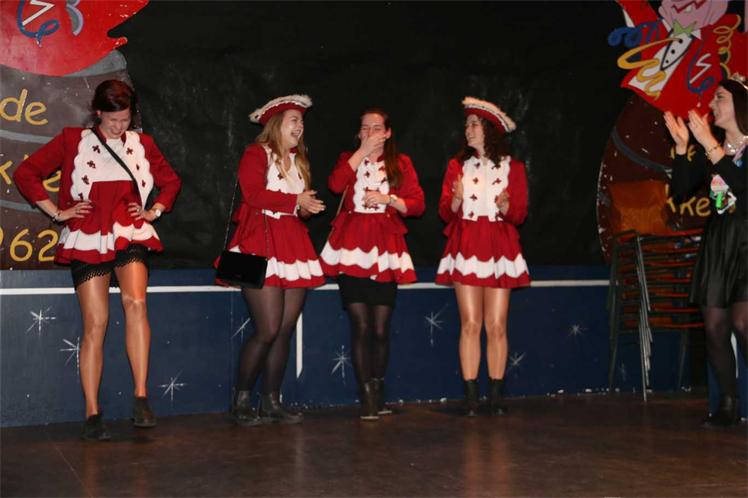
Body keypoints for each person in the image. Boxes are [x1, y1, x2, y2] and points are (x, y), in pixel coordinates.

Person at [13, 79, 182, 440]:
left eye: (126, 119)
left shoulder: (142, 144)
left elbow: (171, 182)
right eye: (113, 120)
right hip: (88, 235)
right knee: (96, 323)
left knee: (136, 302)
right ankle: (92, 412)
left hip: (129, 231)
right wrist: (57, 212)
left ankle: (141, 397)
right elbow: (26, 174)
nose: (120, 127)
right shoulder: (73, 140)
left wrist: (154, 211)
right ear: (98, 113)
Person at [218, 94, 325, 426]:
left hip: (292, 245)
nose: (300, 125)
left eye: (302, 121)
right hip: (257, 243)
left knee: (284, 330)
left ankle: (272, 401)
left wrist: (306, 208)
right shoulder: (256, 153)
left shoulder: (299, 161)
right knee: (267, 329)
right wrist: (296, 200)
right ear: (277, 124)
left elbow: (297, 209)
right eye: (294, 120)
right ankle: (241, 401)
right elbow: (253, 195)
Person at [320, 107, 424, 420]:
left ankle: (378, 391)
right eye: (365, 127)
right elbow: (335, 185)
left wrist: (388, 199)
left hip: (384, 249)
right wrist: (360, 153)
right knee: (361, 325)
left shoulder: (400, 163)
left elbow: (417, 204)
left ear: (388, 133)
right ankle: (366, 396)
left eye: (376, 127)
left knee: (380, 328)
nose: (370, 133)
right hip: (351, 248)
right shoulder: (348, 159)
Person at [435, 97, 530, 416]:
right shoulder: (456, 166)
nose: (468, 130)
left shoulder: (513, 168)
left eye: (474, 124)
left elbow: (519, 214)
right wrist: (456, 200)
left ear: (489, 130)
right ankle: (471, 396)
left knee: (497, 324)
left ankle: (496, 395)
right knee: (471, 323)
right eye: (467, 125)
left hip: (500, 246)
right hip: (467, 244)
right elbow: (444, 213)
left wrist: (506, 207)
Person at [664, 76, 748, 427]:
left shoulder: (722, 147)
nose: (712, 105)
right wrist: (682, 149)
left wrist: (711, 146)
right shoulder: (708, 149)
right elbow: (680, 191)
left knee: (743, 322)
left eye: (720, 98)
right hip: (718, 243)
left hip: (746, 242)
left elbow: (742, 187)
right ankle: (728, 401)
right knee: (714, 327)